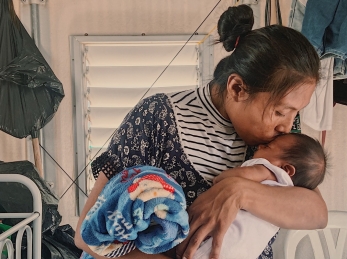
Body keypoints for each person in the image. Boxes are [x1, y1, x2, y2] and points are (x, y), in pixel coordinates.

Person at [75, 4, 328, 259]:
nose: (288, 125)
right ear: (237, 88)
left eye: (296, 112)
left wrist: (239, 192)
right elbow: (88, 236)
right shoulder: (158, 118)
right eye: (281, 111)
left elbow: (317, 213)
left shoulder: (278, 139)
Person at [194, 133, 327, 259]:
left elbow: (225, 179)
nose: (260, 146)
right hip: (245, 251)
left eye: (268, 146)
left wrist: (222, 178)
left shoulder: (267, 169)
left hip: (220, 241)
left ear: (286, 169)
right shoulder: (293, 196)